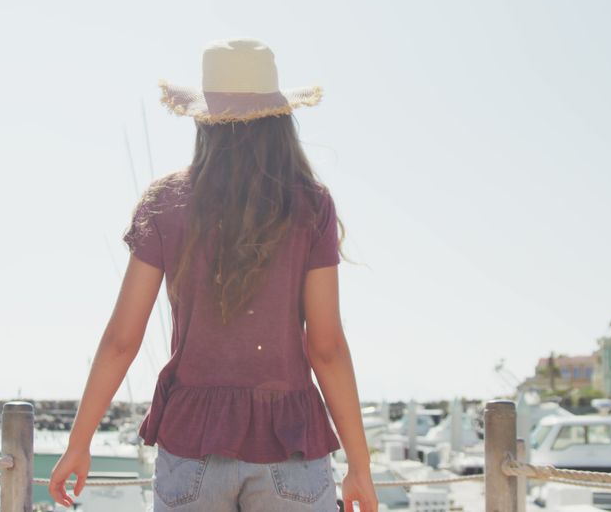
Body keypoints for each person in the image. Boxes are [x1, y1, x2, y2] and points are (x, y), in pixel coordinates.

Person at [49, 37, 378, 512]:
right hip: (290, 445)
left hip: (191, 444)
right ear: (280, 118)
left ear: (205, 121)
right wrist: (360, 466)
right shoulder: (310, 204)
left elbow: (124, 338)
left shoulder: (165, 202)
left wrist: (78, 444)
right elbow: (325, 346)